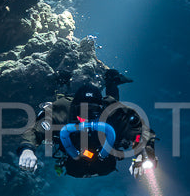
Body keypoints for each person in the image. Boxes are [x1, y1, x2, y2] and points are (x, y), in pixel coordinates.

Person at [17, 68, 157, 179]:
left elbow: (142, 132)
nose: (88, 116)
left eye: (93, 110)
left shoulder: (113, 111)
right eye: (82, 110)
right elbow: (35, 131)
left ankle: (111, 80)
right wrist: (27, 149)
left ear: (100, 108)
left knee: (112, 100)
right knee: (61, 98)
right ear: (74, 108)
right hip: (76, 162)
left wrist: (145, 154)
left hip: (104, 159)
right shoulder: (63, 110)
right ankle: (63, 81)